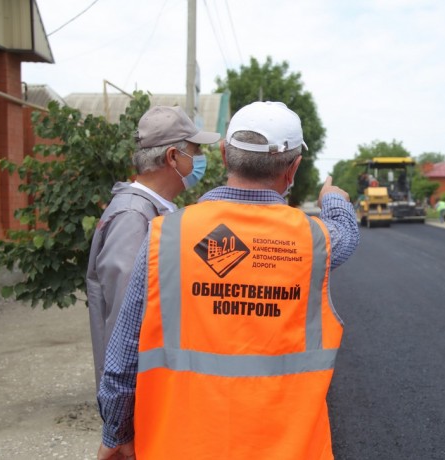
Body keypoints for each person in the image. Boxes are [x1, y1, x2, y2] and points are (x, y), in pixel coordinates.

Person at [97, 101, 360, 460]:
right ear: (293, 167)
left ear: (223, 154)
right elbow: (346, 233)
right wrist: (334, 200)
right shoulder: (315, 242)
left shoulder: (168, 236)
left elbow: (124, 354)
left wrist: (116, 432)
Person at [86, 105, 220, 390]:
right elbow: (127, 323)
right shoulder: (133, 218)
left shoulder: (152, 211)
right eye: (196, 151)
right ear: (173, 157)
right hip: (142, 391)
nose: (200, 158)